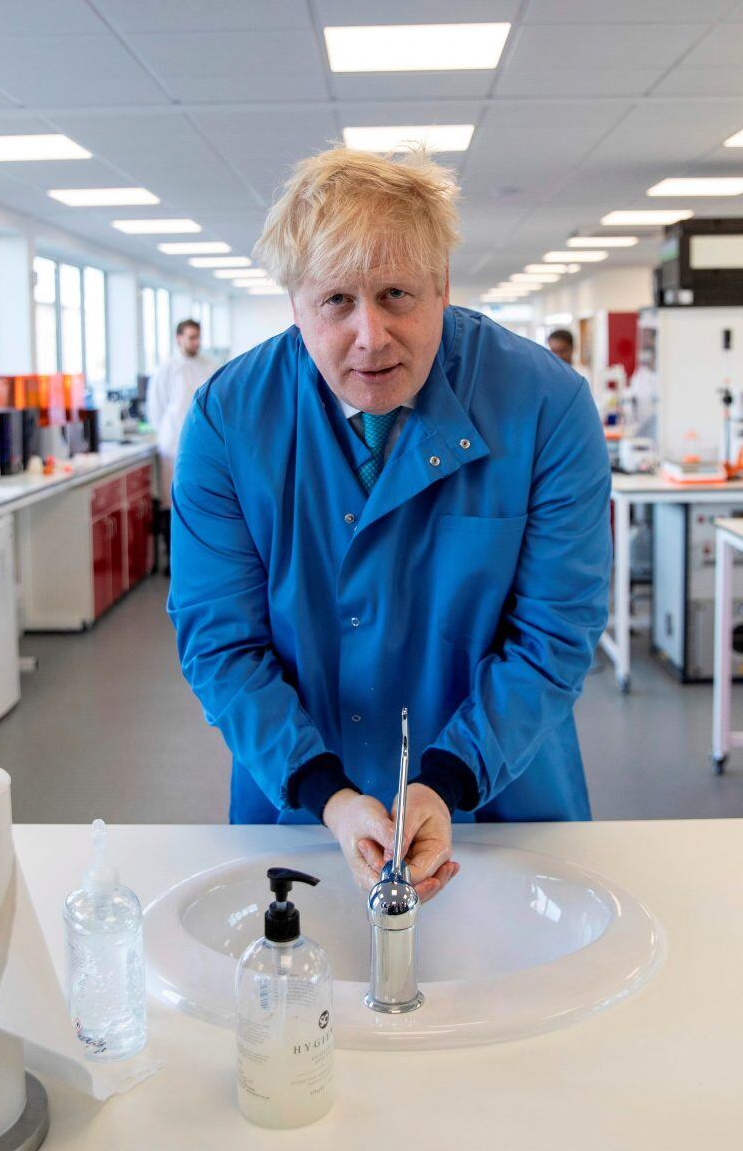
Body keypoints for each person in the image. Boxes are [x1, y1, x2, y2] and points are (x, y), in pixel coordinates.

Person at [168, 148, 611, 905]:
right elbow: (220, 642)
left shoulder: (545, 407)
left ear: (442, 287)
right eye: (336, 300)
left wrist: (447, 781)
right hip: (302, 811)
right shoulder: (228, 422)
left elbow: (556, 633)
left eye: (397, 294)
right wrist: (331, 796)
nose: (370, 335)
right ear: (295, 303)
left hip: (499, 806)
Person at [145, 319, 216, 574]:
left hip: (203, 446)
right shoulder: (167, 368)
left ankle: (200, 558)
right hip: (172, 446)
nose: (195, 342)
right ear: (178, 338)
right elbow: (155, 408)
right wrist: (168, 432)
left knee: (202, 499)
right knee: (172, 503)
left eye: (198, 337)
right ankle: (173, 561)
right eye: (190, 337)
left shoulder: (208, 366)